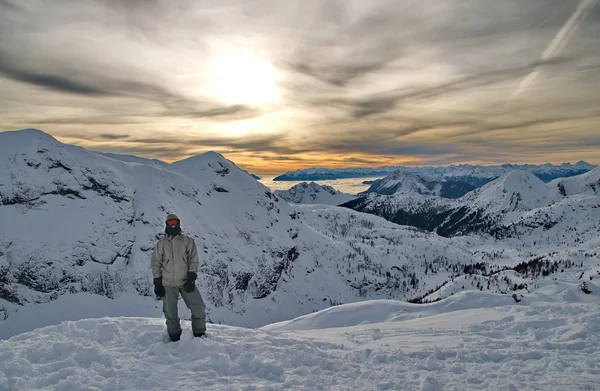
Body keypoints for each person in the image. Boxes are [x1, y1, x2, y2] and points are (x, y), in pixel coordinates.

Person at [151, 213, 206, 341]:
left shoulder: (187, 241)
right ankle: (174, 336)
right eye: (170, 223)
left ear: (179, 223)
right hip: (168, 283)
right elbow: (156, 262)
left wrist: (191, 277)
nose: (173, 225)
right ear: (166, 225)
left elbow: (193, 259)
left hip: (185, 280)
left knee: (198, 307)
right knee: (170, 313)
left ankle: (199, 334)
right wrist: (157, 281)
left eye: (175, 222)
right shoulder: (161, 244)